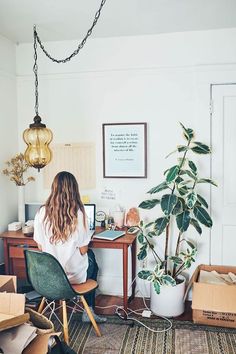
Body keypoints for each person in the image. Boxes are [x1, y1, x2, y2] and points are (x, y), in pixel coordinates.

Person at [33, 171, 106, 323]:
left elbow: (40, 247)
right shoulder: (79, 214)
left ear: (53, 188)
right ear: (74, 189)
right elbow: (83, 250)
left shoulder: (41, 213)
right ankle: (88, 310)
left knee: (89, 257)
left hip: (49, 278)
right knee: (92, 257)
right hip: (72, 277)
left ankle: (71, 300)